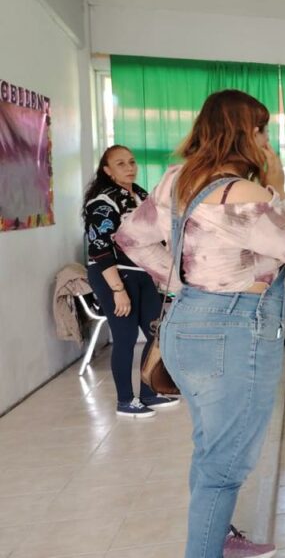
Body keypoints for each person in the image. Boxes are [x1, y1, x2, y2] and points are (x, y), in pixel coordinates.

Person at [116, 89, 285, 558]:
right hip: (234, 331)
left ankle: (219, 536)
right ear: (246, 133)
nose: (267, 140)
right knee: (226, 464)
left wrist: (181, 282)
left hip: (187, 323)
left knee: (210, 446)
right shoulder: (245, 195)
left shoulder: (176, 180)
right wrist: (279, 191)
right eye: (263, 130)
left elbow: (131, 238)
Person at [83, 145, 179, 418]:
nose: (129, 167)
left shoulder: (142, 196)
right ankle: (125, 400)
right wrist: (117, 290)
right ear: (107, 170)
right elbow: (99, 248)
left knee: (155, 332)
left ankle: (149, 393)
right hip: (113, 275)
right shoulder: (102, 201)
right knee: (124, 337)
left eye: (132, 162)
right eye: (121, 163)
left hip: (143, 273)